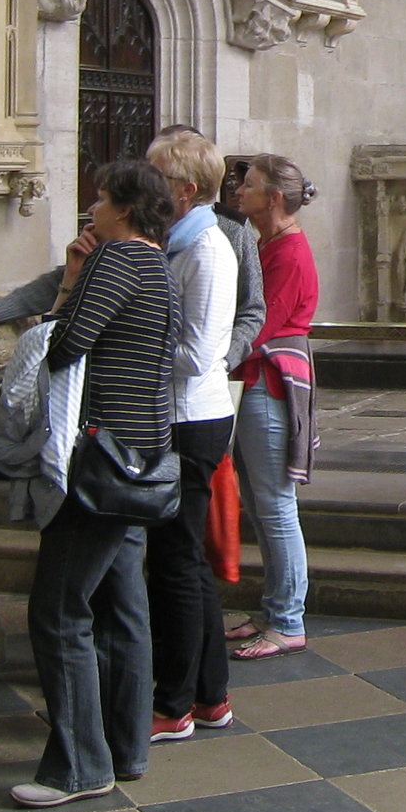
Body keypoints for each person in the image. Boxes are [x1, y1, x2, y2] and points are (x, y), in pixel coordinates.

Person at [16, 160, 176, 807]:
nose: (92, 208)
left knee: (57, 610)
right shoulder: (158, 263)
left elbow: (65, 344)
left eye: (102, 198)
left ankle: (80, 766)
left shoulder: (117, 259)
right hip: (140, 455)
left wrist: (68, 285)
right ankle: (123, 745)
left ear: (127, 208)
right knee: (121, 604)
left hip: (103, 460)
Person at [0, 124, 267, 370]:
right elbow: (76, 275)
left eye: (155, 177)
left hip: (193, 391)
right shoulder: (137, 227)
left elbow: (251, 308)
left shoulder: (225, 234)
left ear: (186, 190)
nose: (140, 184)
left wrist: (222, 362)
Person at [143, 129, 239, 742]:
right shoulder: (176, 243)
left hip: (190, 420)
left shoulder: (204, 249)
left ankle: (173, 704)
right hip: (179, 417)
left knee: (176, 566)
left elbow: (199, 353)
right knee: (186, 563)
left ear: (183, 190)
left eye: (155, 181)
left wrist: (126, 340)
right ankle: (209, 696)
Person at [229, 153, 317, 660]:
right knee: (262, 505)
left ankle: (288, 620)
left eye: (250, 185)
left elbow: (260, 325)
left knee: (276, 505)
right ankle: (274, 608)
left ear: (275, 198)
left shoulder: (288, 253)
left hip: (269, 384)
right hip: (255, 380)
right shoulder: (266, 243)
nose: (240, 191)